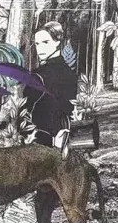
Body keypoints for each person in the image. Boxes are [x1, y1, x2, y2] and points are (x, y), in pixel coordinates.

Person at [23, 22, 77, 150]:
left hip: (40, 137)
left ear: (57, 42)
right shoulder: (70, 72)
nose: (40, 48)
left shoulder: (38, 75)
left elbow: (25, 107)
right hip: (64, 132)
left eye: (45, 42)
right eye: (37, 44)